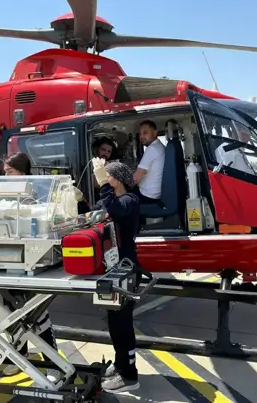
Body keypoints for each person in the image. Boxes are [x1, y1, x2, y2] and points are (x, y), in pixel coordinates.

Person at [0, 152, 60, 380]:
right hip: (7, 260)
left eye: (10, 172)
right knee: (9, 313)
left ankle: (53, 361)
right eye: (5, 172)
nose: (6, 176)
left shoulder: (36, 194)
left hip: (31, 261)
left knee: (38, 315)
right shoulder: (5, 194)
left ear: (22, 172)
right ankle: (18, 357)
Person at [92, 158, 141, 394]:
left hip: (127, 269)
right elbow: (101, 212)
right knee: (114, 322)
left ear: (117, 180)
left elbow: (114, 209)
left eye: (106, 175)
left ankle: (129, 375)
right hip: (115, 270)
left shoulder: (129, 200)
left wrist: (103, 184)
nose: (102, 179)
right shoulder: (116, 200)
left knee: (123, 323)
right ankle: (120, 363)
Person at [133, 120, 165, 204]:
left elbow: (136, 178)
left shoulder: (152, 149)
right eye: (140, 133)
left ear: (155, 133)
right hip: (156, 194)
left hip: (147, 196)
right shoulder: (160, 146)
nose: (141, 136)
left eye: (145, 133)